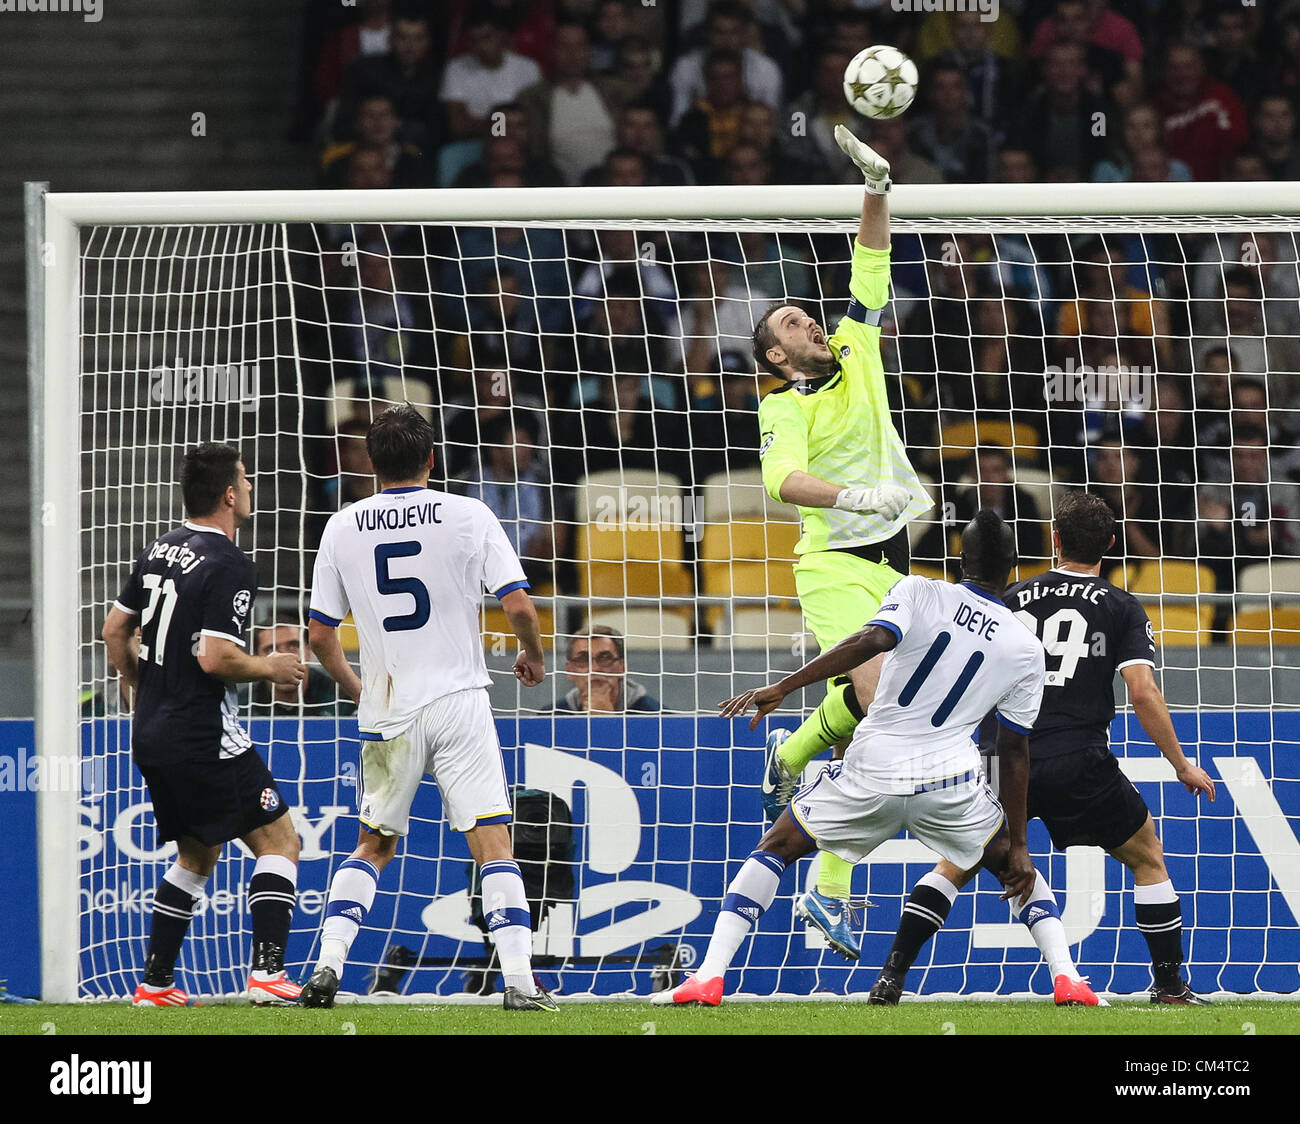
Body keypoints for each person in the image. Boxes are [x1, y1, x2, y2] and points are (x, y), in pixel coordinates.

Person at [654, 512, 1044, 1006]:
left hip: (874, 766)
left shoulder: (920, 590)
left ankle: (709, 977)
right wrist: (1022, 843)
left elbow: (869, 642)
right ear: (1014, 565)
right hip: (946, 781)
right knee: (1012, 861)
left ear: (958, 558)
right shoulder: (1026, 646)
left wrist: (784, 684)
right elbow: (1014, 750)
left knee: (776, 845)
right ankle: (1068, 978)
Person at [870, 493, 1217, 1005]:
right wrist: (1181, 763)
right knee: (1148, 858)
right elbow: (1142, 692)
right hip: (1080, 762)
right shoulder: (1122, 606)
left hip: (1003, 759)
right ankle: (1169, 987)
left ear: (1055, 540)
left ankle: (891, 977)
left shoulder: (1009, 597)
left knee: (955, 863)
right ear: (1112, 545)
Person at [300, 404, 557, 1012]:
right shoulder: (469, 514)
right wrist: (532, 655)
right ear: (432, 458)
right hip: (460, 699)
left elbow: (318, 635)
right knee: (493, 842)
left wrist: (358, 687)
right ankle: (519, 981)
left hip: (390, 702)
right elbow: (519, 606)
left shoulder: (342, 526)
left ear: (371, 462)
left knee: (373, 845)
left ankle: (327, 968)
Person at [751, 124, 931, 950]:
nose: (809, 323)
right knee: (886, 704)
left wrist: (878, 186)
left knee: (869, 713)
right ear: (776, 356)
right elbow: (781, 484)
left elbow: (871, 265)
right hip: (833, 566)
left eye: (806, 314)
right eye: (791, 322)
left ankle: (795, 753)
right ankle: (827, 888)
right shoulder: (783, 408)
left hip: (898, 557)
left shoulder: (857, 344)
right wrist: (857, 491)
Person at [100, 443, 308, 1006]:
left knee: (197, 855)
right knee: (280, 842)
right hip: (203, 734)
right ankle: (267, 974)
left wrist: (138, 682)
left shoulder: (160, 548)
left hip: (152, 732)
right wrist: (271, 665)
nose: (250, 488)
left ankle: (156, 984)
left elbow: (114, 631)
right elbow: (215, 658)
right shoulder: (230, 564)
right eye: (245, 478)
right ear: (228, 494)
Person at [242, 624, 356, 717]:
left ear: (308, 651)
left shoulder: (341, 698)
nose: (284, 657)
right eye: (270, 649)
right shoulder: (242, 705)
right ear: (256, 657)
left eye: (293, 646)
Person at [552, 626, 661, 713]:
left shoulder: (657, 717)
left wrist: (606, 720)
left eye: (605, 659)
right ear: (570, 670)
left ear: (622, 668)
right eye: (583, 660)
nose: (594, 669)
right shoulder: (551, 716)